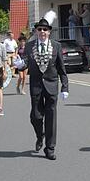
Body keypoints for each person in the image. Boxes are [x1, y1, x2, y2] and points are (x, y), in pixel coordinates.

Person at [23, 13, 69, 160]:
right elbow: (25, 62)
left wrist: (65, 87)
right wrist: (20, 65)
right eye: (40, 29)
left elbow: (62, 69)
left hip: (51, 85)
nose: (42, 32)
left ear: (49, 32)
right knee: (35, 117)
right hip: (36, 86)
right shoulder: (30, 46)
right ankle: (39, 135)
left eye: (45, 29)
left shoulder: (56, 46)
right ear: (36, 31)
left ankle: (50, 148)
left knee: (51, 118)